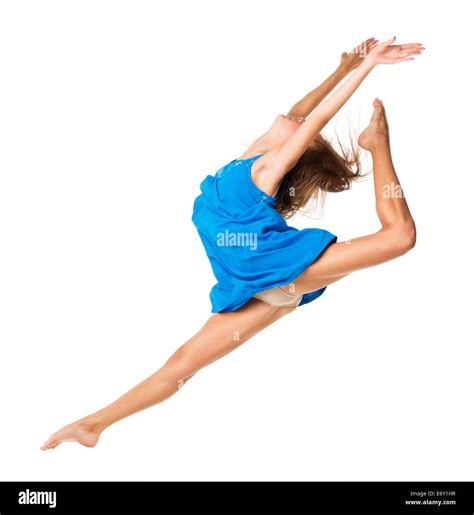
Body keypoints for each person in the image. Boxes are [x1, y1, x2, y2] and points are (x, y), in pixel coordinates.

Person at [41, 36, 423, 450]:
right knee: (182, 364)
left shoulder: (266, 169)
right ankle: (93, 425)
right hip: (264, 284)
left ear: (292, 151)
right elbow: (301, 113)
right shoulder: (251, 155)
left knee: (400, 238)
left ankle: (377, 144)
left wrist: (370, 67)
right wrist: (343, 68)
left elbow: (314, 120)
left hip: (283, 269)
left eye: (301, 130)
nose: (295, 116)